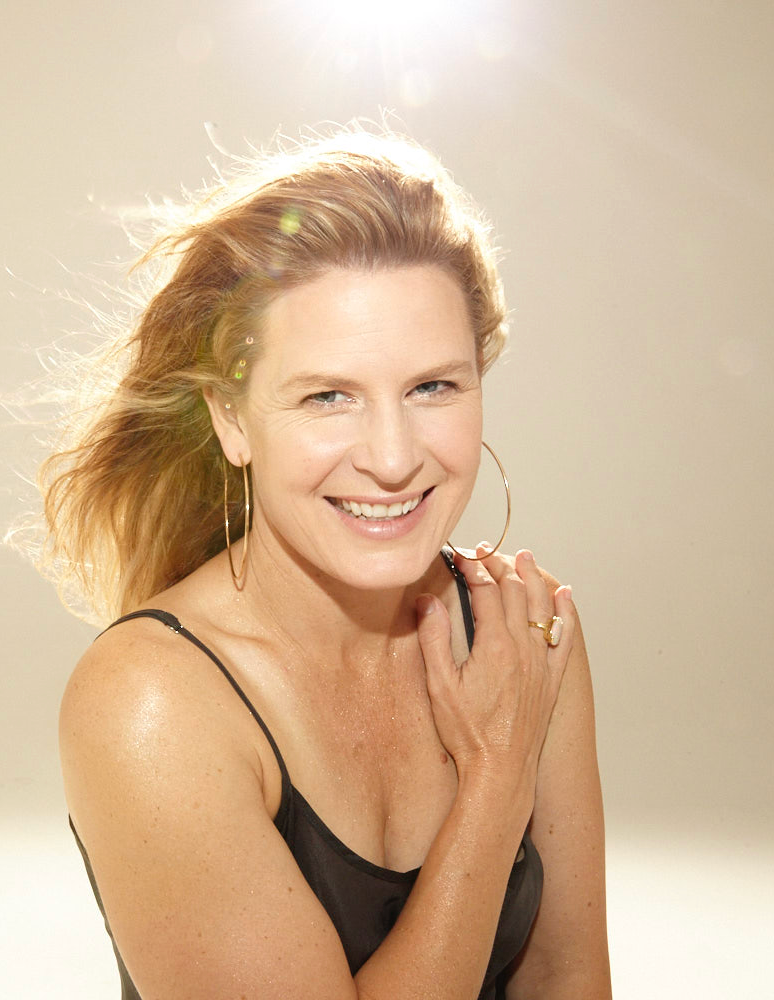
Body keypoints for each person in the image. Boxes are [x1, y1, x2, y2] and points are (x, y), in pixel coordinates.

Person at [43, 128, 610, 999]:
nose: (392, 457)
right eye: (327, 396)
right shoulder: (150, 703)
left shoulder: (527, 632)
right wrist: (495, 780)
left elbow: (568, 978)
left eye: (433, 387)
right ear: (232, 420)